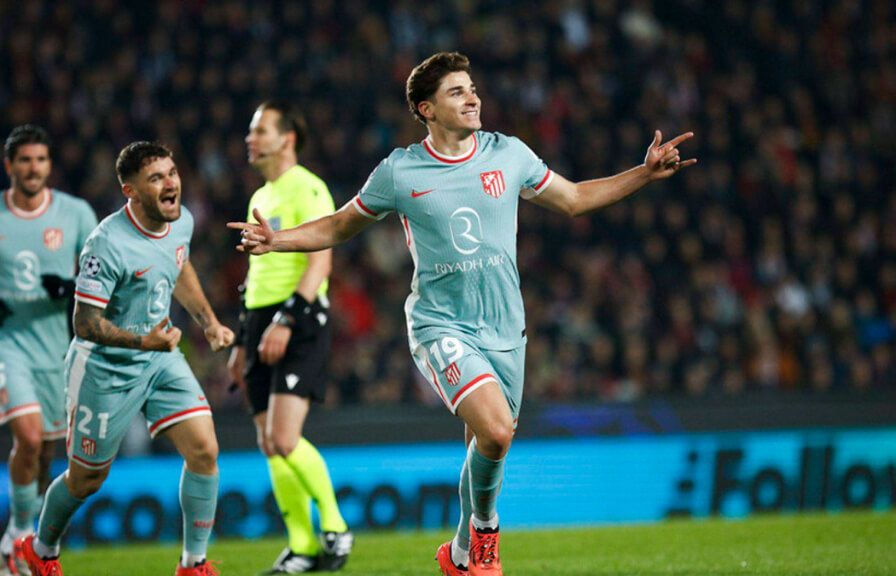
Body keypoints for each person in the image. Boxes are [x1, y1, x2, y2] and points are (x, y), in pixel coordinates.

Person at [229, 52, 696, 576]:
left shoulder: (509, 154)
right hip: (439, 325)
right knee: (497, 432)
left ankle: (457, 554)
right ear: (426, 108)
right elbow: (340, 227)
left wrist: (644, 173)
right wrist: (279, 241)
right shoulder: (400, 170)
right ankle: (487, 533)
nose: (473, 97)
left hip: (506, 329)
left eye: (472, 88)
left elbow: (575, 199)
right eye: (457, 92)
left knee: (483, 446)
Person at [14, 142, 235, 576]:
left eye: (172, 173)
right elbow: (85, 324)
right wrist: (141, 343)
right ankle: (40, 550)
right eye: (156, 178)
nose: (171, 183)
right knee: (87, 480)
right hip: (105, 368)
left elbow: (178, 265)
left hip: (159, 357)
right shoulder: (107, 244)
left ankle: (193, 564)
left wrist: (208, 321)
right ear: (129, 191)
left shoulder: (181, 221)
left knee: (205, 450)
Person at [0, 124, 98, 576]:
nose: (34, 169)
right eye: (25, 161)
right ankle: (18, 537)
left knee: (48, 450)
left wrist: (71, 286)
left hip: (55, 344)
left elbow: (100, 267)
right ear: (9, 165)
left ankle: (22, 538)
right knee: (28, 437)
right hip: (3, 340)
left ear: (50, 166)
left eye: (41, 160)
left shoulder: (75, 213)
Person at [227, 100, 352, 574]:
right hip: (259, 320)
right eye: (249, 132)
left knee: (283, 436)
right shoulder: (261, 195)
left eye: (260, 131)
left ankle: (336, 527)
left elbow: (321, 260)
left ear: (288, 138)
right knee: (268, 442)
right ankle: (302, 547)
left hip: (297, 318)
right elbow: (255, 274)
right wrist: (243, 338)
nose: (250, 139)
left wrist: (286, 319)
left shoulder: (309, 187)